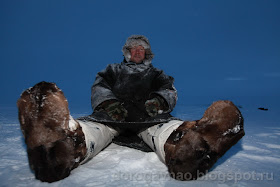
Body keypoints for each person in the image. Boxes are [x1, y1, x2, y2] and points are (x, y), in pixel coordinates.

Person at [17, 35, 245, 182]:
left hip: (150, 120)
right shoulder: (112, 69)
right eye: (133, 49)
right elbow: (99, 86)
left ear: (147, 53)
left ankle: (189, 149)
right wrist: (109, 104)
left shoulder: (157, 74)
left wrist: (158, 102)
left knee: (166, 131)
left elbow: (169, 90)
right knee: (92, 132)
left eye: (142, 49)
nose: (138, 52)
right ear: (127, 52)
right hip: (109, 119)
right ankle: (58, 147)